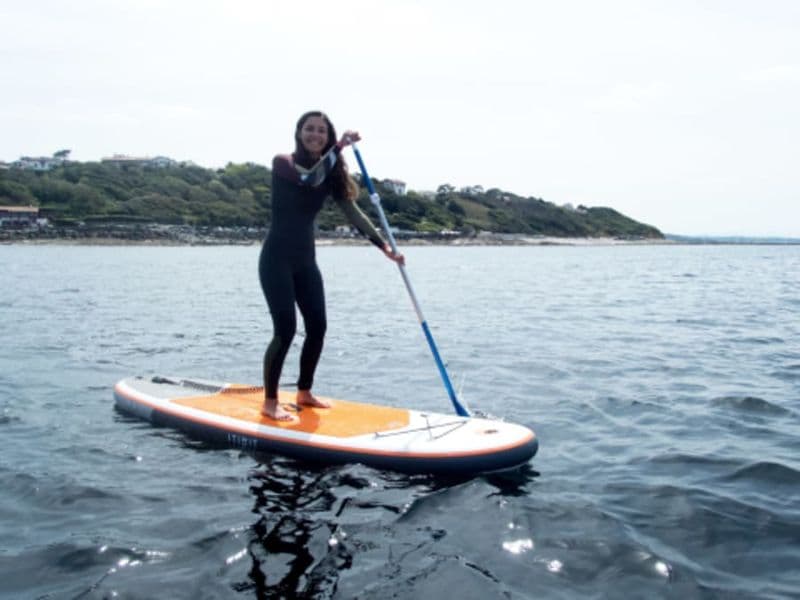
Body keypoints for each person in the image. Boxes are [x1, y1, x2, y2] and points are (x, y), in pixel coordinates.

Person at [259, 110, 405, 421]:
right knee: (285, 330)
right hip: (276, 260)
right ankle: (270, 402)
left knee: (318, 327)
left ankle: (304, 392)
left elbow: (354, 214)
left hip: (305, 261)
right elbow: (308, 179)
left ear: (327, 136)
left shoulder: (331, 173)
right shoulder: (283, 163)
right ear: (299, 133)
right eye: (309, 129)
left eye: (321, 131)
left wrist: (384, 246)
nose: (315, 135)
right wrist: (339, 147)